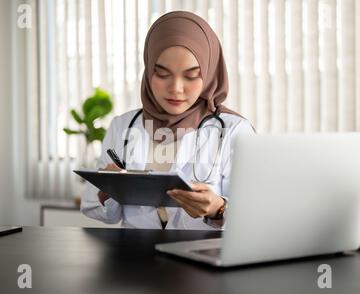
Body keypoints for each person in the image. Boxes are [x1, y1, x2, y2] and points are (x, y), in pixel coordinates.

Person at [81, 11, 254, 230]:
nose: (176, 88)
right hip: (134, 258)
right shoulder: (123, 126)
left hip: (201, 258)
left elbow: (256, 216)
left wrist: (218, 209)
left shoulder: (233, 131)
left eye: (191, 75)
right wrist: (108, 189)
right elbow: (94, 208)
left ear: (210, 73)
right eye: (162, 74)